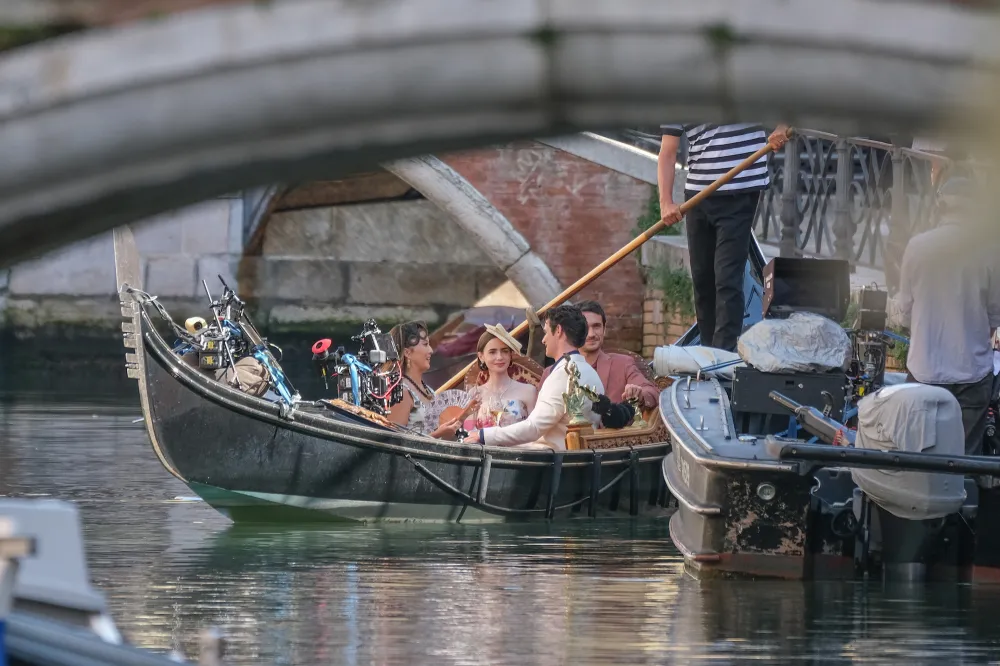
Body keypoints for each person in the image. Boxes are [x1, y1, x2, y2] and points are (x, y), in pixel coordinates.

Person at [658, 122, 790, 352]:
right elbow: (668, 152)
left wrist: (783, 126)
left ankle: (722, 354)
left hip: (741, 188)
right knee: (702, 279)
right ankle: (708, 351)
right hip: (698, 195)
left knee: (727, 276)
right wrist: (665, 202)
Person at [896, 176, 1000, 456]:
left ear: (939, 207)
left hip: (924, 372)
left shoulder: (917, 246)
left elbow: (904, 314)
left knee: (920, 457)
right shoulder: (989, 252)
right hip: (972, 372)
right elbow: (995, 316)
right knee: (965, 462)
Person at [463, 305, 603, 449]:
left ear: (559, 331)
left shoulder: (563, 374)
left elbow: (534, 428)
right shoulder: (591, 373)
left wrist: (484, 436)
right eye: (492, 352)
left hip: (554, 464)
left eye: (546, 332)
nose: (543, 340)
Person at [539, 300, 658, 411]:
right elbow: (539, 415)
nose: (591, 334)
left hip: (614, 432)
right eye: (586, 327)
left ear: (604, 329)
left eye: (596, 326)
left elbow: (652, 393)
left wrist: (639, 395)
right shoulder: (551, 372)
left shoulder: (623, 364)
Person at [386, 320, 462, 439]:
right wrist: (438, 434)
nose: (431, 350)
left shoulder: (428, 390)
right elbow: (394, 443)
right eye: (426, 344)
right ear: (407, 353)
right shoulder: (401, 392)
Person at [464, 323, 538, 430]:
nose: (499, 357)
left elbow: (536, 432)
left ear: (510, 355)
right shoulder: (474, 394)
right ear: (481, 356)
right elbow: (469, 433)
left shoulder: (529, 391)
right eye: (492, 352)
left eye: (504, 351)